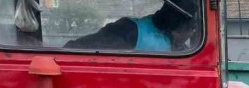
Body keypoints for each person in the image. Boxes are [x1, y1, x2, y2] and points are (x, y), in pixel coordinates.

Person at [65, 0, 198, 51]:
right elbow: (74, 48)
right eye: (191, 29)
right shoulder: (129, 30)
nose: (191, 35)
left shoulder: (182, 50)